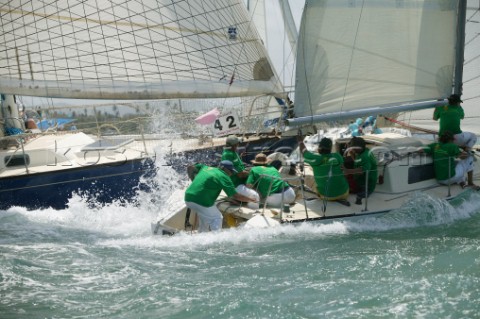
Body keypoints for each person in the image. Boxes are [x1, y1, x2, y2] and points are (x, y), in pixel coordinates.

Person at [184, 160, 258, 232]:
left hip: (188, 198)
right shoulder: (224, 177)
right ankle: (217, 240)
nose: (231, 174)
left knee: (205, 220)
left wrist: (193, 180)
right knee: (217, 217)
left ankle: (201, 236)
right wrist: (251, 200)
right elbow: (236, 195)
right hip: (202, 201)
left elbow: (190, 167)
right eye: (231, 171)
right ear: (225, 169)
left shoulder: (206, 168)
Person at [298, 136, 351, 206]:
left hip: (327, 197)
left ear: (319, 148)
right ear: (330, 148)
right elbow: (344, 171)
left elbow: (304, 152)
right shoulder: (337, 156)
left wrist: (300, 141)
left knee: (311, 181)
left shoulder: (315, 159)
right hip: (344, 193)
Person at [221, 135, 259, 202]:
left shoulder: (233, 152)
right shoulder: (228, 154)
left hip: (241, 181)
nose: (238, 145)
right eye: (237, 144)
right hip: (236, 185)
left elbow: (238, 166)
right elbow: (239, 174)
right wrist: (252, 173)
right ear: (234, 145)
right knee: (255, 195)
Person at [343, 136, 378, 205]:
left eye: (353, 148)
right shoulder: (364, 151)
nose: (352, 149)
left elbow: (362, 170)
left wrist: (347, 171)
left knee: (343, 185)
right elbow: (358, 161)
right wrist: (352, 154)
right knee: (344, 179)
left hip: (365, 185)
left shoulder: (366, 156)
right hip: (359, 179)